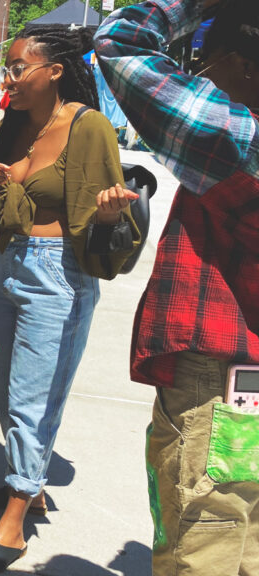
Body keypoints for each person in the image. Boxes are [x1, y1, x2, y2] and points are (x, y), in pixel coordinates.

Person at [0, 25, 141, 575]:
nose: (8, 78)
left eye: (18, 68)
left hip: (56, 276)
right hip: (2, 266)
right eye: (8, 69)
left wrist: (109, 214)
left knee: (35, 400)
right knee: (3, 386)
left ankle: (14, 521)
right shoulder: (11, 125)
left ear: (54, 71)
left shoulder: (90, 129)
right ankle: (31, 484)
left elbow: (111, 212)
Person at [95, 1, 259, 573]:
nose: (198, 76)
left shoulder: (239, 142)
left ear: (240, 63)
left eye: (204, 65)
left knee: (203, 546)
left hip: (224, 387)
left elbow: (120, 42)